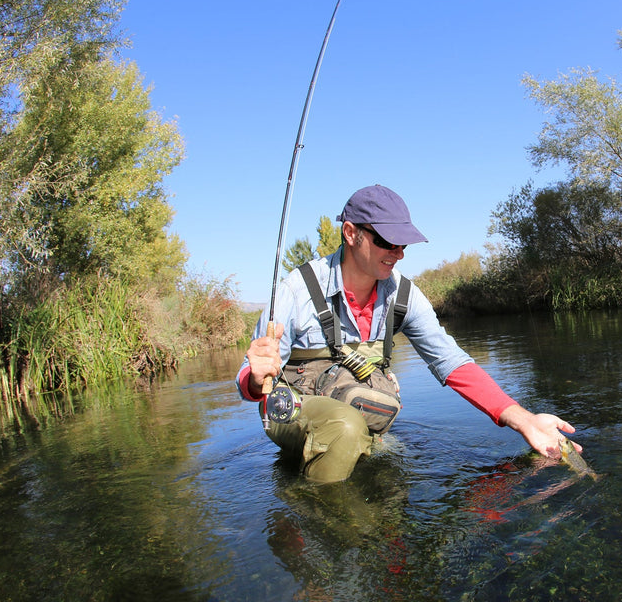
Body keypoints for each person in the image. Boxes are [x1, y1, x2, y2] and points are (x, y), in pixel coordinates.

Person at [237, 184, 578, 483]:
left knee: (384, 457)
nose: (398, 254)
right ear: (351, 233)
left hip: (352, 405)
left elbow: (452, 362)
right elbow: (250, 385)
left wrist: (525, 420)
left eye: (404, 245)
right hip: (289, 410)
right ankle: (317, 518)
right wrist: (255, 378)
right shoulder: (295, 291)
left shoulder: (404, 295)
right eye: (388, 242)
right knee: (345, 428)